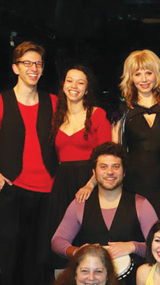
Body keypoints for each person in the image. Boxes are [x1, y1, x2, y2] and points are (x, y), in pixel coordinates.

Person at [0, 41, 57, 285]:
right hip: (14, 190)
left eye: (38, 64)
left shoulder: (54, 102)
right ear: (15, 68)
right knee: (12, 262)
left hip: (48, 192)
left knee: (42, 262)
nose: (34, 69)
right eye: (27, 63)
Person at [51, 142, 158, 285]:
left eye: (116, 166)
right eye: (103, 166)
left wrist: (133, 246)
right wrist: (77, 251)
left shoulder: (141, 204)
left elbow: (159, 248)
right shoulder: (80, 204)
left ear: (124, 172)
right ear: (94, 172)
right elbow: (57, 241)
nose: (110, 172)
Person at [111, 49, 160, 218]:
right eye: (137, 74)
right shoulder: (122, 112)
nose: (144, 79)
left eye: (149, 73)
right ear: (130, 77)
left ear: (158, 74)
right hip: (133, 188)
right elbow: (116, 153)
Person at [48, 65, 111, 234]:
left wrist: (90, 185)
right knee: (62, 236)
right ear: (63, 85)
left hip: (89, 182)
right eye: (69, 81)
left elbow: (106, 157)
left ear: (87, 89)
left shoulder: (97, 115)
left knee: (88, 237)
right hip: (62, 184)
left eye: (80, 82)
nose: (74, 86)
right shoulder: (56, 118)